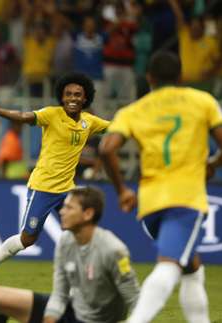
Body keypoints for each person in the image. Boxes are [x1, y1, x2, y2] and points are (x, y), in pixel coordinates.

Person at [99, 50, 222, 323]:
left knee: (191, 268)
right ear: (181, 76)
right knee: (169, 266)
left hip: (150, 202)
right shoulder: (203, 101)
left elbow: (107, 148)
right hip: (185, 199)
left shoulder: (133, 110)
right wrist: (213, 161)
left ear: (149, 77)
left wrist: (121, 190)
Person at [0, 73, 110, 292]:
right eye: (68, 94)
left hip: (68, 190)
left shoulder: (89, 122)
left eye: (77, 94)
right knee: (27, 239)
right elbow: (24, 116)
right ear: (62, 97)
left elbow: (117, 128)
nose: (72, 98)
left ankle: (84, 284)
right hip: (42, 188)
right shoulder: (51, 115)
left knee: (83, 233)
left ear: (85, 98)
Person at [0, 186, 139, 323]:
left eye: (69, 208)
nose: (62, 211)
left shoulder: (113, 249)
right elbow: (60, 294)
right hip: (71, 310)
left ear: (88, 214)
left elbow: (135, 300)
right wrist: (50, 318)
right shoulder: (65, 242)